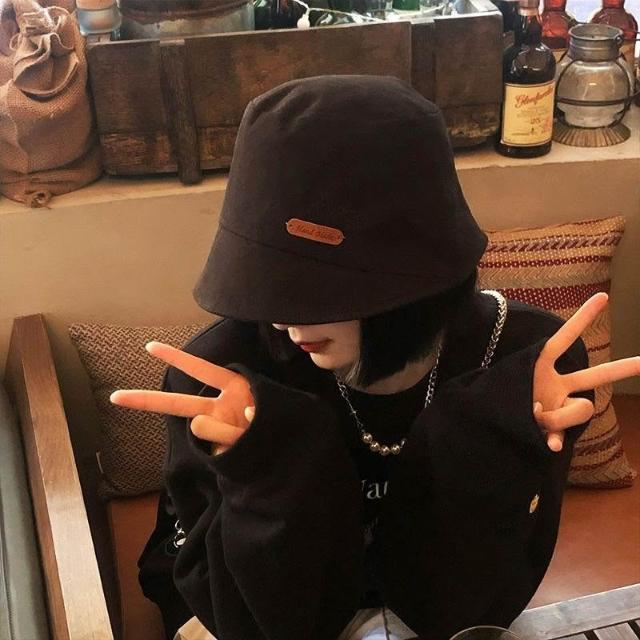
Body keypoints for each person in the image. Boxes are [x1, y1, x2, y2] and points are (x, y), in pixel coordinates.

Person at [110, 75, 639, 640]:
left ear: (416, 282)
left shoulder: (525, 363)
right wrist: (264, 469)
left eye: (318, 292)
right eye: (265, 283)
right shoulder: (219, 375)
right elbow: (250, 621)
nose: (284, 320)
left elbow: (469, 611)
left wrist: (493, 435)